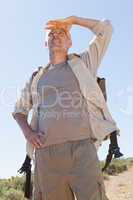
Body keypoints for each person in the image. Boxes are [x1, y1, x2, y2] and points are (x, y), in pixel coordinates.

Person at [12, 16, 119, 200]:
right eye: (51, 33)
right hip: (46, 155)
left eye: (62, 33)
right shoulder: (37, 78)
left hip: (83, 150)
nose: (56, 36)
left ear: (70, 42)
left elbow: (106, 29)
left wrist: (74, 21)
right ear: (45, 43)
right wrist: (29, 134)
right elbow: (18, 111)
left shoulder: (84, 63)